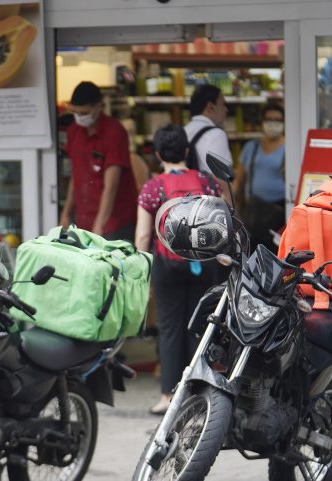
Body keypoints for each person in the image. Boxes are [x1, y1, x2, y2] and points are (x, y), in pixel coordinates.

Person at [134, 124, 221, 415]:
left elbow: (143, 235)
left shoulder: (153, 187)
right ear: (186, 150)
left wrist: (142, 271)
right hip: (204, 262)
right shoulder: (207, 182)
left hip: (167, 264)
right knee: (200, 325)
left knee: (170, 328)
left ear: (158, 154)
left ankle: (169, 397)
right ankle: (199, 392)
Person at [60, 81, 137, 241]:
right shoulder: (74, 131)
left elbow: (111, 186)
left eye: (85, 113)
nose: (80, 117)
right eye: (76, 112)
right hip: (83, 220)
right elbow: (76, 176)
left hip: (114, 223)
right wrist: (66, 213)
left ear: (99, 106)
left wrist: (100, 225)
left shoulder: (114, 133)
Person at [233, 102, 286, 252]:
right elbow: (240, 180)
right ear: (262, 122)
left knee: (277, 252)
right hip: (255, 211)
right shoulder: (251, 147)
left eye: (277, 120)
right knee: (254, 251)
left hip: (280, 210)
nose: (272, 124)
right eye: (269, 120)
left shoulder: (290, 148)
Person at [184, 84, 232, 202]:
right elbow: (222, 181)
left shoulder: (184, 131)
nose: (226, 109)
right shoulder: (216, 134)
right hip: (208, 204)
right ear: (210, 107)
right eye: (223, 104)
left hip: (183, 202)